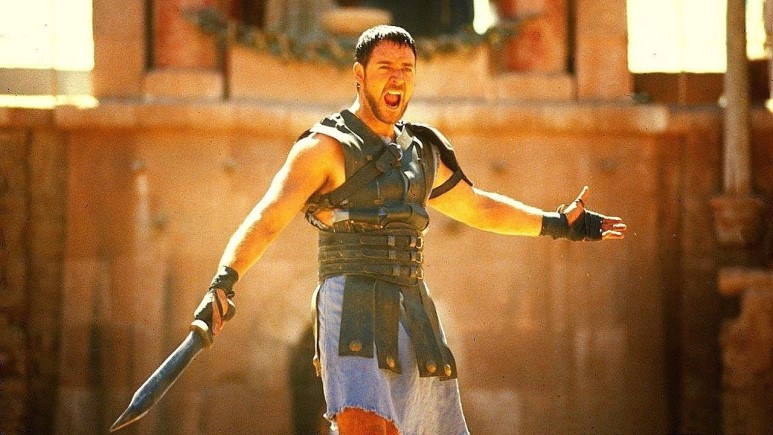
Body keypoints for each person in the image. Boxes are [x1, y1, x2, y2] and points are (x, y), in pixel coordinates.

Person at [193, 25, 627, 435]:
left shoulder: (420, 152)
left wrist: (559, 224)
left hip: (412, 306)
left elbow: (479, 207)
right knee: (365, 426)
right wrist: (224, 281)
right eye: (385, 67)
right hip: (352, 306)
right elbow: (269, 216)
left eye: (406, 69)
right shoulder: (323, 148)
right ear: (359, 75)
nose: (397, 78)